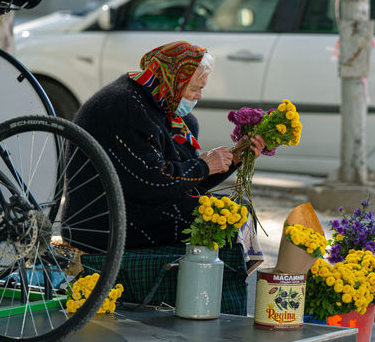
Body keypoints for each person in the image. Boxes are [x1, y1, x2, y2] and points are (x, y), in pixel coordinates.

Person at [65, 41, 265, 315]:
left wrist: (233, 159)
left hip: (139, 206)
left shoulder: (166, 112)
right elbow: (152, 183)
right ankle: (218, 309)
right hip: (106, 221)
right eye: (195, 88)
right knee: (222, 219)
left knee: (233, 209)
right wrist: (205, 165)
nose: (200, 96)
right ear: (174, 79)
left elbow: (183, 184)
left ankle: (218, 305)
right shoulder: (125, 107)